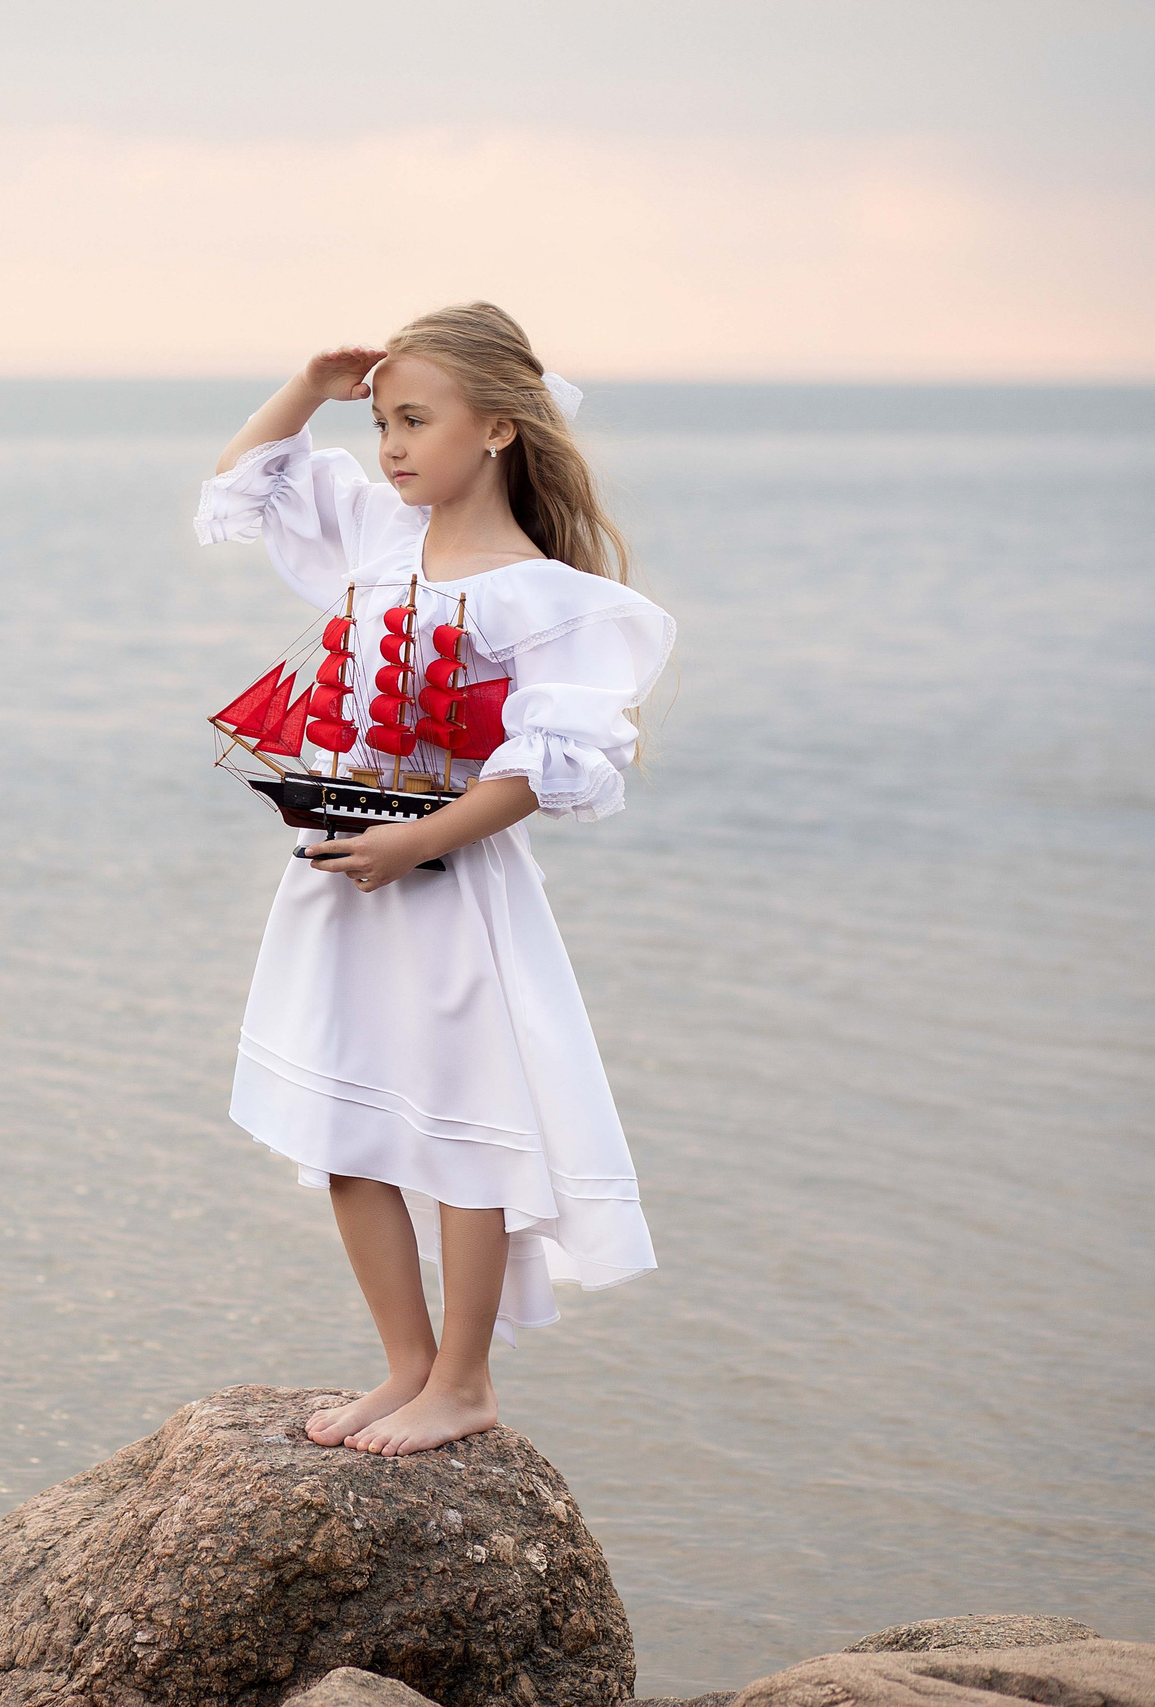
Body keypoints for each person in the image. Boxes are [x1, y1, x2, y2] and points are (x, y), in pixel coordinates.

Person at [194, 302, 673, 1455]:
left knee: (465, 1129)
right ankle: (405, 1367)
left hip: (443, 885)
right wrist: (311, 382)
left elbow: (551, 766)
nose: (391, 447)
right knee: (345, 1126)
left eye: (415, 421)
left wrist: (421, 841)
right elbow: (243, 481)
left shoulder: (545, 595)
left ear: (500, 428)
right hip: (335, 869)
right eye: (382, 424)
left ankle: (465, 1383)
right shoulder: (374, 538)